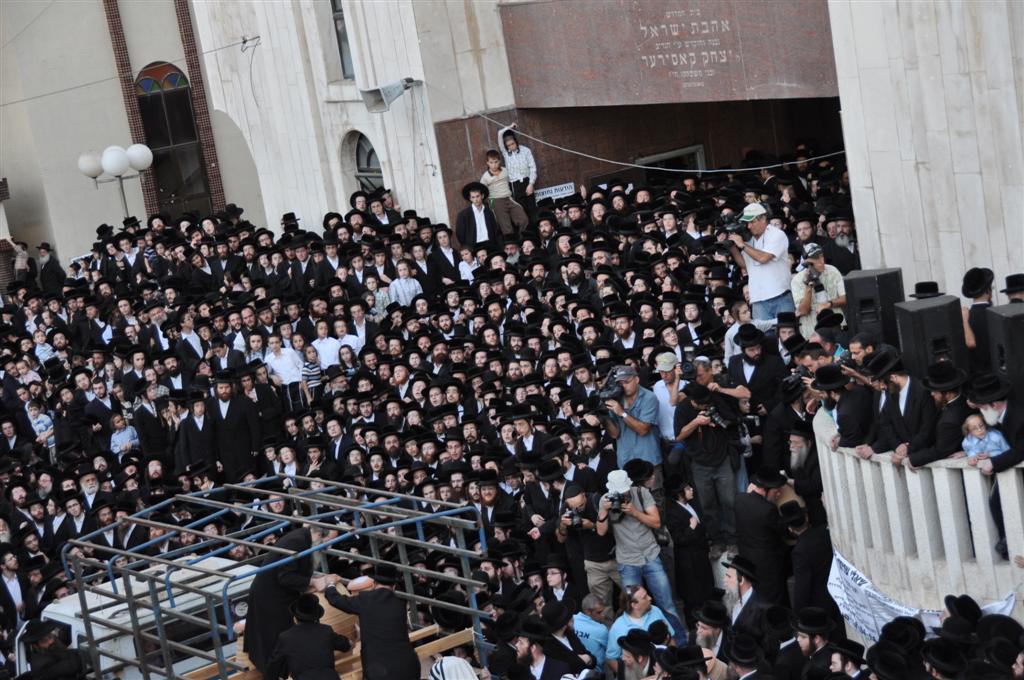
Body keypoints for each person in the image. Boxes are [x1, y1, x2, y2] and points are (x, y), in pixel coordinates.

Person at [596, 466, 685, 642]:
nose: (622, 496)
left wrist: (635, 512)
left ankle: (681, 643)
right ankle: (644, 646)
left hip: (650, 554)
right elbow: (600, 531)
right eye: (618, 493)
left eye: (624, 492)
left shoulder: (641, 493)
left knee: (667, 605)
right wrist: (604, 511)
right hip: (627, 560)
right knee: (634, 609)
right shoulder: (605, 500)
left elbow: (656, 522)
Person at [242, 524, 328, 677]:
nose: (326, 547)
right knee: (276, 639)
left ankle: (281, 671)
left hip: (275, 595)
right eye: (325, 542)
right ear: (319, 536)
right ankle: (277, 673)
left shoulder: (301, 538)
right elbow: (286, 577)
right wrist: (313, 582)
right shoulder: (298, 541)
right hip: (270, 597)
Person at [323, 564, 420, 680]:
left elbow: (336, 600)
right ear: (394, 586)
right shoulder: (400, 604)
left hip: (380, 671)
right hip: (408, 666)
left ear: (374, 583)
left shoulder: (366, 599)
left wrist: (330, 584)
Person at [727, 202, 794, 321]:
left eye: (752, 222)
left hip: (780, 296)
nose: (749, 226)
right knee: (762, 333)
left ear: (763, 219)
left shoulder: (777, 234)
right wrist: (732, 247)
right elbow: (745, 265)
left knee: (787, 330)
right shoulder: (749, 240)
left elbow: (763, 258)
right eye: (747, 223)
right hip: (758, 299)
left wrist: (742, 245)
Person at [265, 592, 351, 680]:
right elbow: (346, 645)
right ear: (316, 617)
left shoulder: (285, 638)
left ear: (295, 618)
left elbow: (273, 666)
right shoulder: (326, 630)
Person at [734, 466, 788, 605]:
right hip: (768, 566)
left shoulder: (739, 499)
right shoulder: (768, 510)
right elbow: (784, 531)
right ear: (765, 490)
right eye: (776, 491)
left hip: (747, 560)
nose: (778, 494)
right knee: (773, 600)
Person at [598, 365, 662, 480]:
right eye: (620, 383)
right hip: (626, 461)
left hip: (648, 460)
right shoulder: (617, 398)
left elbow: (643, 430)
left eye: (626, 382)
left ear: (636, 379)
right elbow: (615, 434)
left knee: (654, 491)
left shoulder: (649, 397)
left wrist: (622, 413)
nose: (623, 386)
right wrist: (603, 416)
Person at [790, 242, 846, 339]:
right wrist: (808, 287)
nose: (821, 261)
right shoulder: (797, 280)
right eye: (816, 259)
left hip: (835, 325)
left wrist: (829, 304)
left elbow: (844, 299)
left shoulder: (833, 271)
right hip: (812, 330)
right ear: (807, 262)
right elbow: (803, 310)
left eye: (821, 256)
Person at [479, 149, 528, 238]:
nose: (494, 165)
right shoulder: (485, 177)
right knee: (506, 227)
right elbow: (481, 191)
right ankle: (511, 244)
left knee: (523, 219)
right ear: (487, 163)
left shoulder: (505, 171)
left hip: (508, 198)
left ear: (499, 161)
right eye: (491, 162)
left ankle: (523, 240)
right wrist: (489, 202)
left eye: (496, 162)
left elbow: (512, 181)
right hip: (496, 200)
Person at [22, 618, 90, 679]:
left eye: (50, 637)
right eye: (44, 641)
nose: (50, 642)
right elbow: (72, 666)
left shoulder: (53, 648)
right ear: (35, 646)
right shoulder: (41, 665)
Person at [498, 123, 538, 218]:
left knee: (532, 210)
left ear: (516, 141)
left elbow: (533, 168)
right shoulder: (506, 153)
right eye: (508, 145)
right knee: (521, 212)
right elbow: (500, 133)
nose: (511, 147)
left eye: (512, 144)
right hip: (515, 185)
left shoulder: (526, 150)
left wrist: (531, 184)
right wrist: (510, 127)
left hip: (527, 182)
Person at [454, 181, 501, 249]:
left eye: (477, 196)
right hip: (473, 247)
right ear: (470, 198)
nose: (476, 199)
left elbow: (495, 229)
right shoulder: (463, 215)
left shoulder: (489, 212)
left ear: (482, 196)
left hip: (489, 244)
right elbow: (460, 234)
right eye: (473, 197)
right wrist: (468, 247)